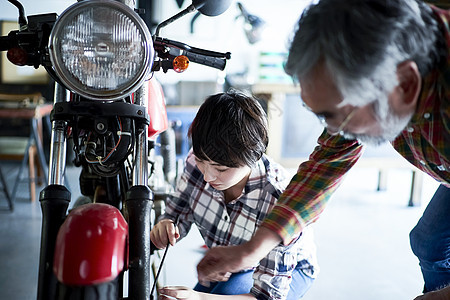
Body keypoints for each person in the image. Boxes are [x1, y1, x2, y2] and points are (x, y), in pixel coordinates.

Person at [196, 0, 450, 299]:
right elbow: (325, 164)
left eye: (335, 115)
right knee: (430, 241)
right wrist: (252, 250)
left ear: (405, 84)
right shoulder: (384, 69)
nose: (332, 132)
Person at [151, 90, 319, 300]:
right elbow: (178, 211)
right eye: (203, 162)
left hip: (288, 271)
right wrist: (166, 225)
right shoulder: (196, 161)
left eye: (220, 169)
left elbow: (268, 297)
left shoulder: (277, 198)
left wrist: (200, 298)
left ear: (253, 157)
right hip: (231, 262)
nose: (208, 177)